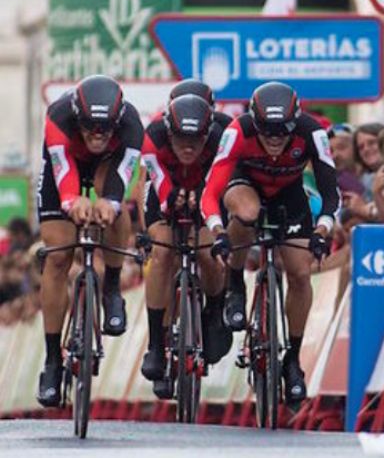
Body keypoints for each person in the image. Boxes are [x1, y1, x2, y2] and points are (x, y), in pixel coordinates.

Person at [200, 81, 339, 404]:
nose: (275, 140)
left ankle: (293, 358)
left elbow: (331, 193)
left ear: (295, 124)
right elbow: (210, 192)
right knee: (247, 212)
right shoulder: (237, 132)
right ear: (255, 124)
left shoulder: (311, 132)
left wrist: (321, 230)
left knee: (300, 273)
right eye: (267, 133)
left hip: (289, 193)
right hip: (244, 183)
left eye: (282, 133)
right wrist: (218, 230)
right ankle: (235, 283)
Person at [36, 74, 144, 407]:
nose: (97, 135)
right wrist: (70, 201)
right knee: (57, 256)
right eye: (89, 127)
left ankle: (111, 288)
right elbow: (62, 172)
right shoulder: (58, 116)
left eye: (105, 129)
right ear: (77, 118)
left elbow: (121, 181)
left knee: (113, 212)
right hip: (65, 164)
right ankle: (53, 360)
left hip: (107, 168)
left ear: (116, 122)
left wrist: (109, 202)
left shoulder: (131, 125)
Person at [140, 94, 231, 389]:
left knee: (207, 251)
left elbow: (222, 181)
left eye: (196, 139)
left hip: (207, 192)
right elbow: (155, 181)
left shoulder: (223, 134)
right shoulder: (152, 135)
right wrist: (171, 201)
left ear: (208, 132)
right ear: (169, 131)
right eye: (180, 139)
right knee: (163, 251)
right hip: (165, 189)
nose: (188, 147)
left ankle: (215, 310)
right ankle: (156, 343)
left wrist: (203, 207)